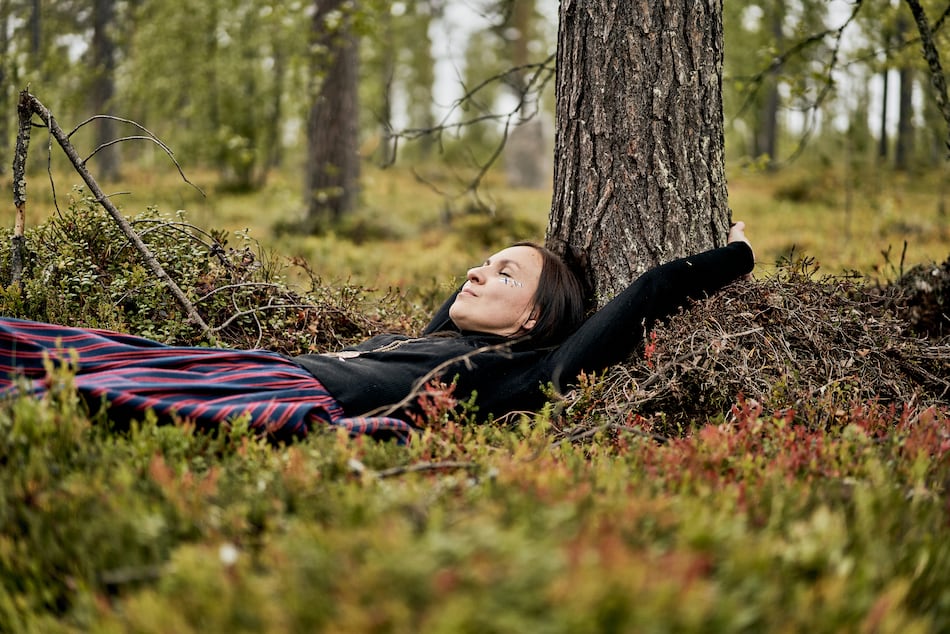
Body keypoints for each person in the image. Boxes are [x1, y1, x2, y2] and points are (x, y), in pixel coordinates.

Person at [0, 222, 754, 442]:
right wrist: (482, 283)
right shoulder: (448, 339)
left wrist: (736, 253)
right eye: (481, 262)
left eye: (505, 274)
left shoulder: (524, 373)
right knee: (67, 346)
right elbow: (458, 302)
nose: (474, 273)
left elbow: (651, 290)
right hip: (258, 363)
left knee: (79, 387)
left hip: (283, 389)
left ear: (533, 319)